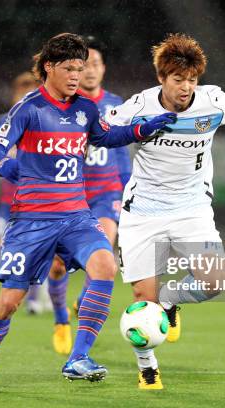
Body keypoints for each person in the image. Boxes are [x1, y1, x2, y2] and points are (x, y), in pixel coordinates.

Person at [0, 33, 176, 390]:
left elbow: (108, 137)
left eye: (81, 68)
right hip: (32, 219)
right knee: (9, 302)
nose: (78, 75)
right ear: (49, 67)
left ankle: (78, 357)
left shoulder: (85, 109)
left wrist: (142, 129)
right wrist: (4, 165)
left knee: (105, 264)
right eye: (70, 68)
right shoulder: (28, 109)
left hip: (76, 215)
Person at [107, 33, 225, 389]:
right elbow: (105, 129)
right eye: (177, 79)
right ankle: (147, 365)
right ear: (161, 78)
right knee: (143, 300)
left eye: (191, 80)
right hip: (143, 212)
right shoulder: (139, 106)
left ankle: (172, 299)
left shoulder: (212, 101)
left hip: (192, 208)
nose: (186, 88)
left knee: (214, 282)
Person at [47, 36, 132, 356]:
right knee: (56, 267)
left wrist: (127, 191)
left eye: (97, 64)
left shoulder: (116, 103)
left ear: (103, 69)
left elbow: (122, 152)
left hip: (106, 193)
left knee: (104, 249)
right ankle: (60, 320)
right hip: (71, 195)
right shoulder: (65, 104)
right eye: (85, 66)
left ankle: (86, 301)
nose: (91, 71)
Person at [0, 72, 52, 315]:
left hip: (33, 201)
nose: (25, 93)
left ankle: (35, 299)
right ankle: (20, 295)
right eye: (21, 89)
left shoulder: (44, 119)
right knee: (3, 246)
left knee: (37, 250)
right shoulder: (2, 121)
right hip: (7, 200)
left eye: (30, 89)